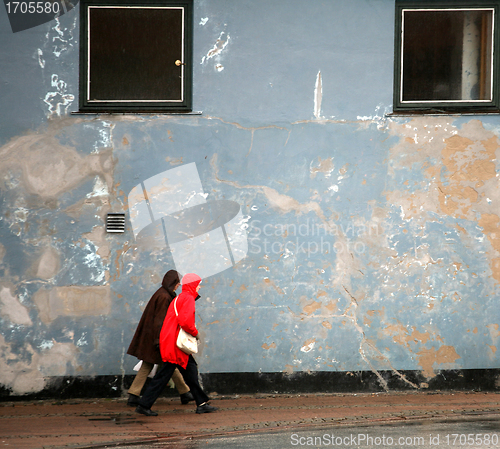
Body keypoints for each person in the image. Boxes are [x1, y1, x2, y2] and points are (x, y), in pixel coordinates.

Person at [136, 273, 218, 415]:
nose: (199, 287)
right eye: (198, 284)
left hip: (170, 342)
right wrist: (195, 332)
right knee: (164, 376)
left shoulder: (180, 297)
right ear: (192, 285)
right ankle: (144, 405)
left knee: (190, 371)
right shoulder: (187, 299)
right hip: (176, 345)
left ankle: (201, 403)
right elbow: (185, 322)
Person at [126, 270, 194, 406]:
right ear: (172, 282)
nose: (179, 284)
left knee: (161, 364)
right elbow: (160, 320)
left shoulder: (162, 293)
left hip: (153, 336)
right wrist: (159, 341)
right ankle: (185, 392)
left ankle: (134, 394)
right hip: (157, 337)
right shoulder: (164, 297)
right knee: (166, 363)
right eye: (177, 281)